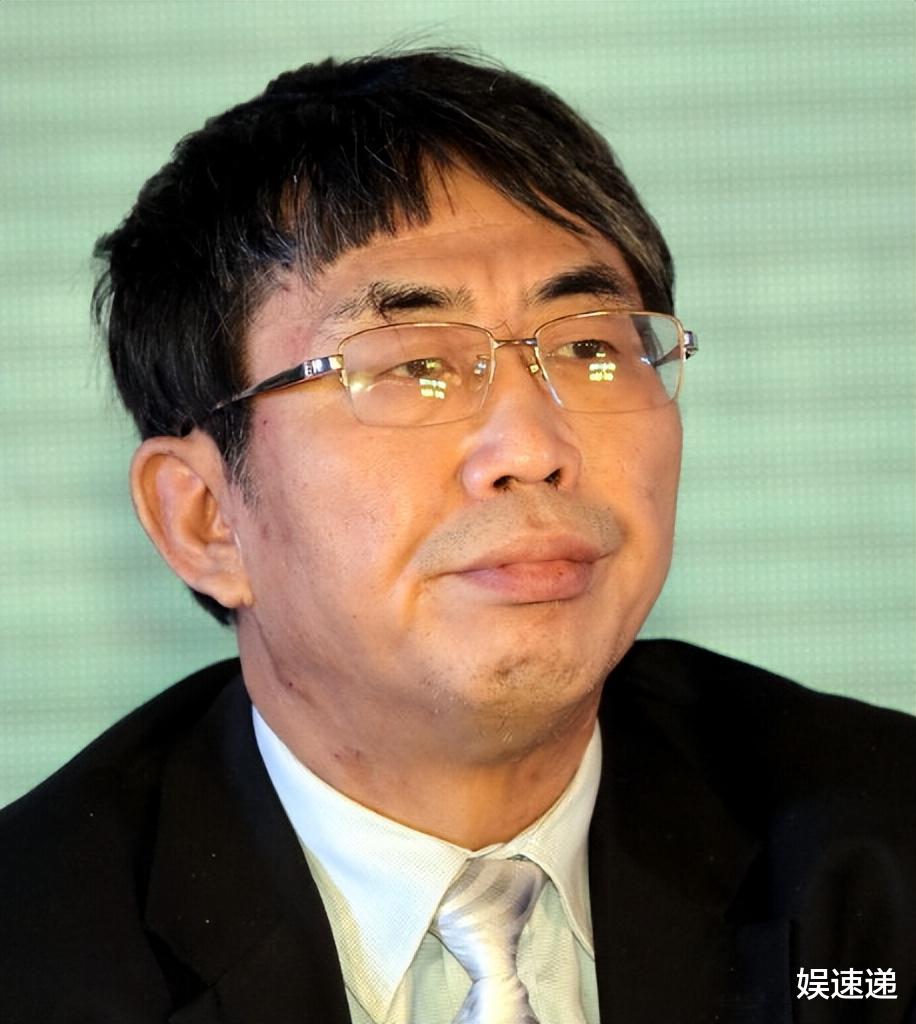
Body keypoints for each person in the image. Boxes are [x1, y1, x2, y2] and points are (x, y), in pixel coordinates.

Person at [1, 50, 913, 1024]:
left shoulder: (880, 851)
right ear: (204, 518)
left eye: (589, 346)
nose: (533, 447)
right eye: (413, 366)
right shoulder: (37, 956)